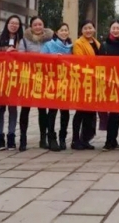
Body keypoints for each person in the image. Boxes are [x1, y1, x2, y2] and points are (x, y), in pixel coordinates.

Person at [17, 16, 53, 151]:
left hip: (44, 78)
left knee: (42, 109)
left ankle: (43, 138)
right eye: (35, 25)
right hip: (28, 77)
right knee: (25, 109)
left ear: (43, 26)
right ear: (31, 27)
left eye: (40, 24)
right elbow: (20, 57)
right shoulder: (24, 40)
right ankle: (23, 139)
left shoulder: (50, 40)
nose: (38, 27)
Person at [0, 15, 24, 151]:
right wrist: (5, 54)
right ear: (7, 24)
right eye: (11, 23)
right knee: (0, 109)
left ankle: (11, 136)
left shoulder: (22, 41)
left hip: (16, 78)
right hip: (0, 78)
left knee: (13, 108)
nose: (14, 25)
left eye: (16, 23)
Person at [41, 22, 73, 151]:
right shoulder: (48, 45)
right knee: (52, 111)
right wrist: (53, 59)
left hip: (66, 82)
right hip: (52, 82)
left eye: (66, 30)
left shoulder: (71, 47)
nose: (64, 32)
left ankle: (62, 137)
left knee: (65, 111)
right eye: (61, 30)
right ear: (56, 32)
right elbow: (41, 62)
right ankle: (51, 138)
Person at [71, 20, 100, 150]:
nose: (88, 30)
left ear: (94, 29)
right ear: (81, 30)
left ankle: (85, 139)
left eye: (90, 28)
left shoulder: (97, 42)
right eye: (85, 28)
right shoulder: (79, 43)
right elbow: (80, 60)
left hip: (95, 82)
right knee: (80, 112)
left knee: (90, 112)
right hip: (84, 80)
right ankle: (75, 139)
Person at [101, 20, 119, 151]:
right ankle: (109, 140)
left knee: (117, 113)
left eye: (118, 28)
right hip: (107, 83)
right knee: (108, 112)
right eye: (113, 28)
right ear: (110, 29)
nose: (116, 30)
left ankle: (112, 140)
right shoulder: (104, 45)